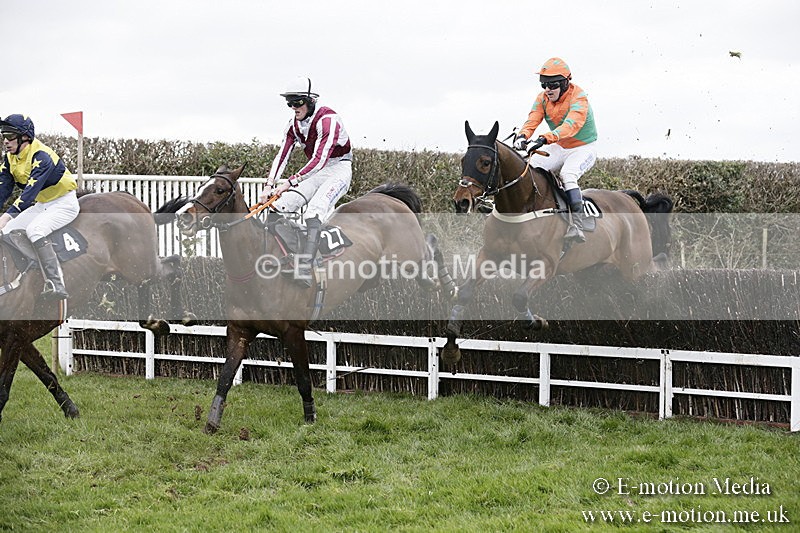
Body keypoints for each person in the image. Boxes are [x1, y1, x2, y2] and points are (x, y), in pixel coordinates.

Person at [258, 77, 353, 287]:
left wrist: (289, 182)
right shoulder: (292, 125)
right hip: (318, 172)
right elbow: (282, 156)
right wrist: (269, 186)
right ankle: (283, 256)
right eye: (289, 103)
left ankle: (305, 268)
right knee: (277, 207)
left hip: (338, 169)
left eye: (298, 102)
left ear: (311, 101)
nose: (293, 107)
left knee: (313, 212)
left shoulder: (328, 120)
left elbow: (319, 159)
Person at [513, 57, 598, 243]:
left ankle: (577, 225)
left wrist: (543, 139)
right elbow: (533, 119)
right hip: (560, 145)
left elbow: (570, 126)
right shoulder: (542, 98)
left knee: (568, 174)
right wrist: (522, 136)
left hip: (583, 148)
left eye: (552, 85)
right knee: (531, 167)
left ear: (565, 83)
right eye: (544, 85)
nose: (547, 90)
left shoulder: (579, 98)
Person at [0, 114, 79, 300]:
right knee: (7, 230)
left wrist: (5, 216)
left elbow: (28, 195)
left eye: (10, 136)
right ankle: (27, 273)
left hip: (64, 203)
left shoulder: (42, 157)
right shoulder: (10, 158)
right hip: (43, 204)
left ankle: (56, 282)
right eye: (3, 136)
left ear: (25, 137)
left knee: (35, 230)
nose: (5, 141)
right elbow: (3, 189)